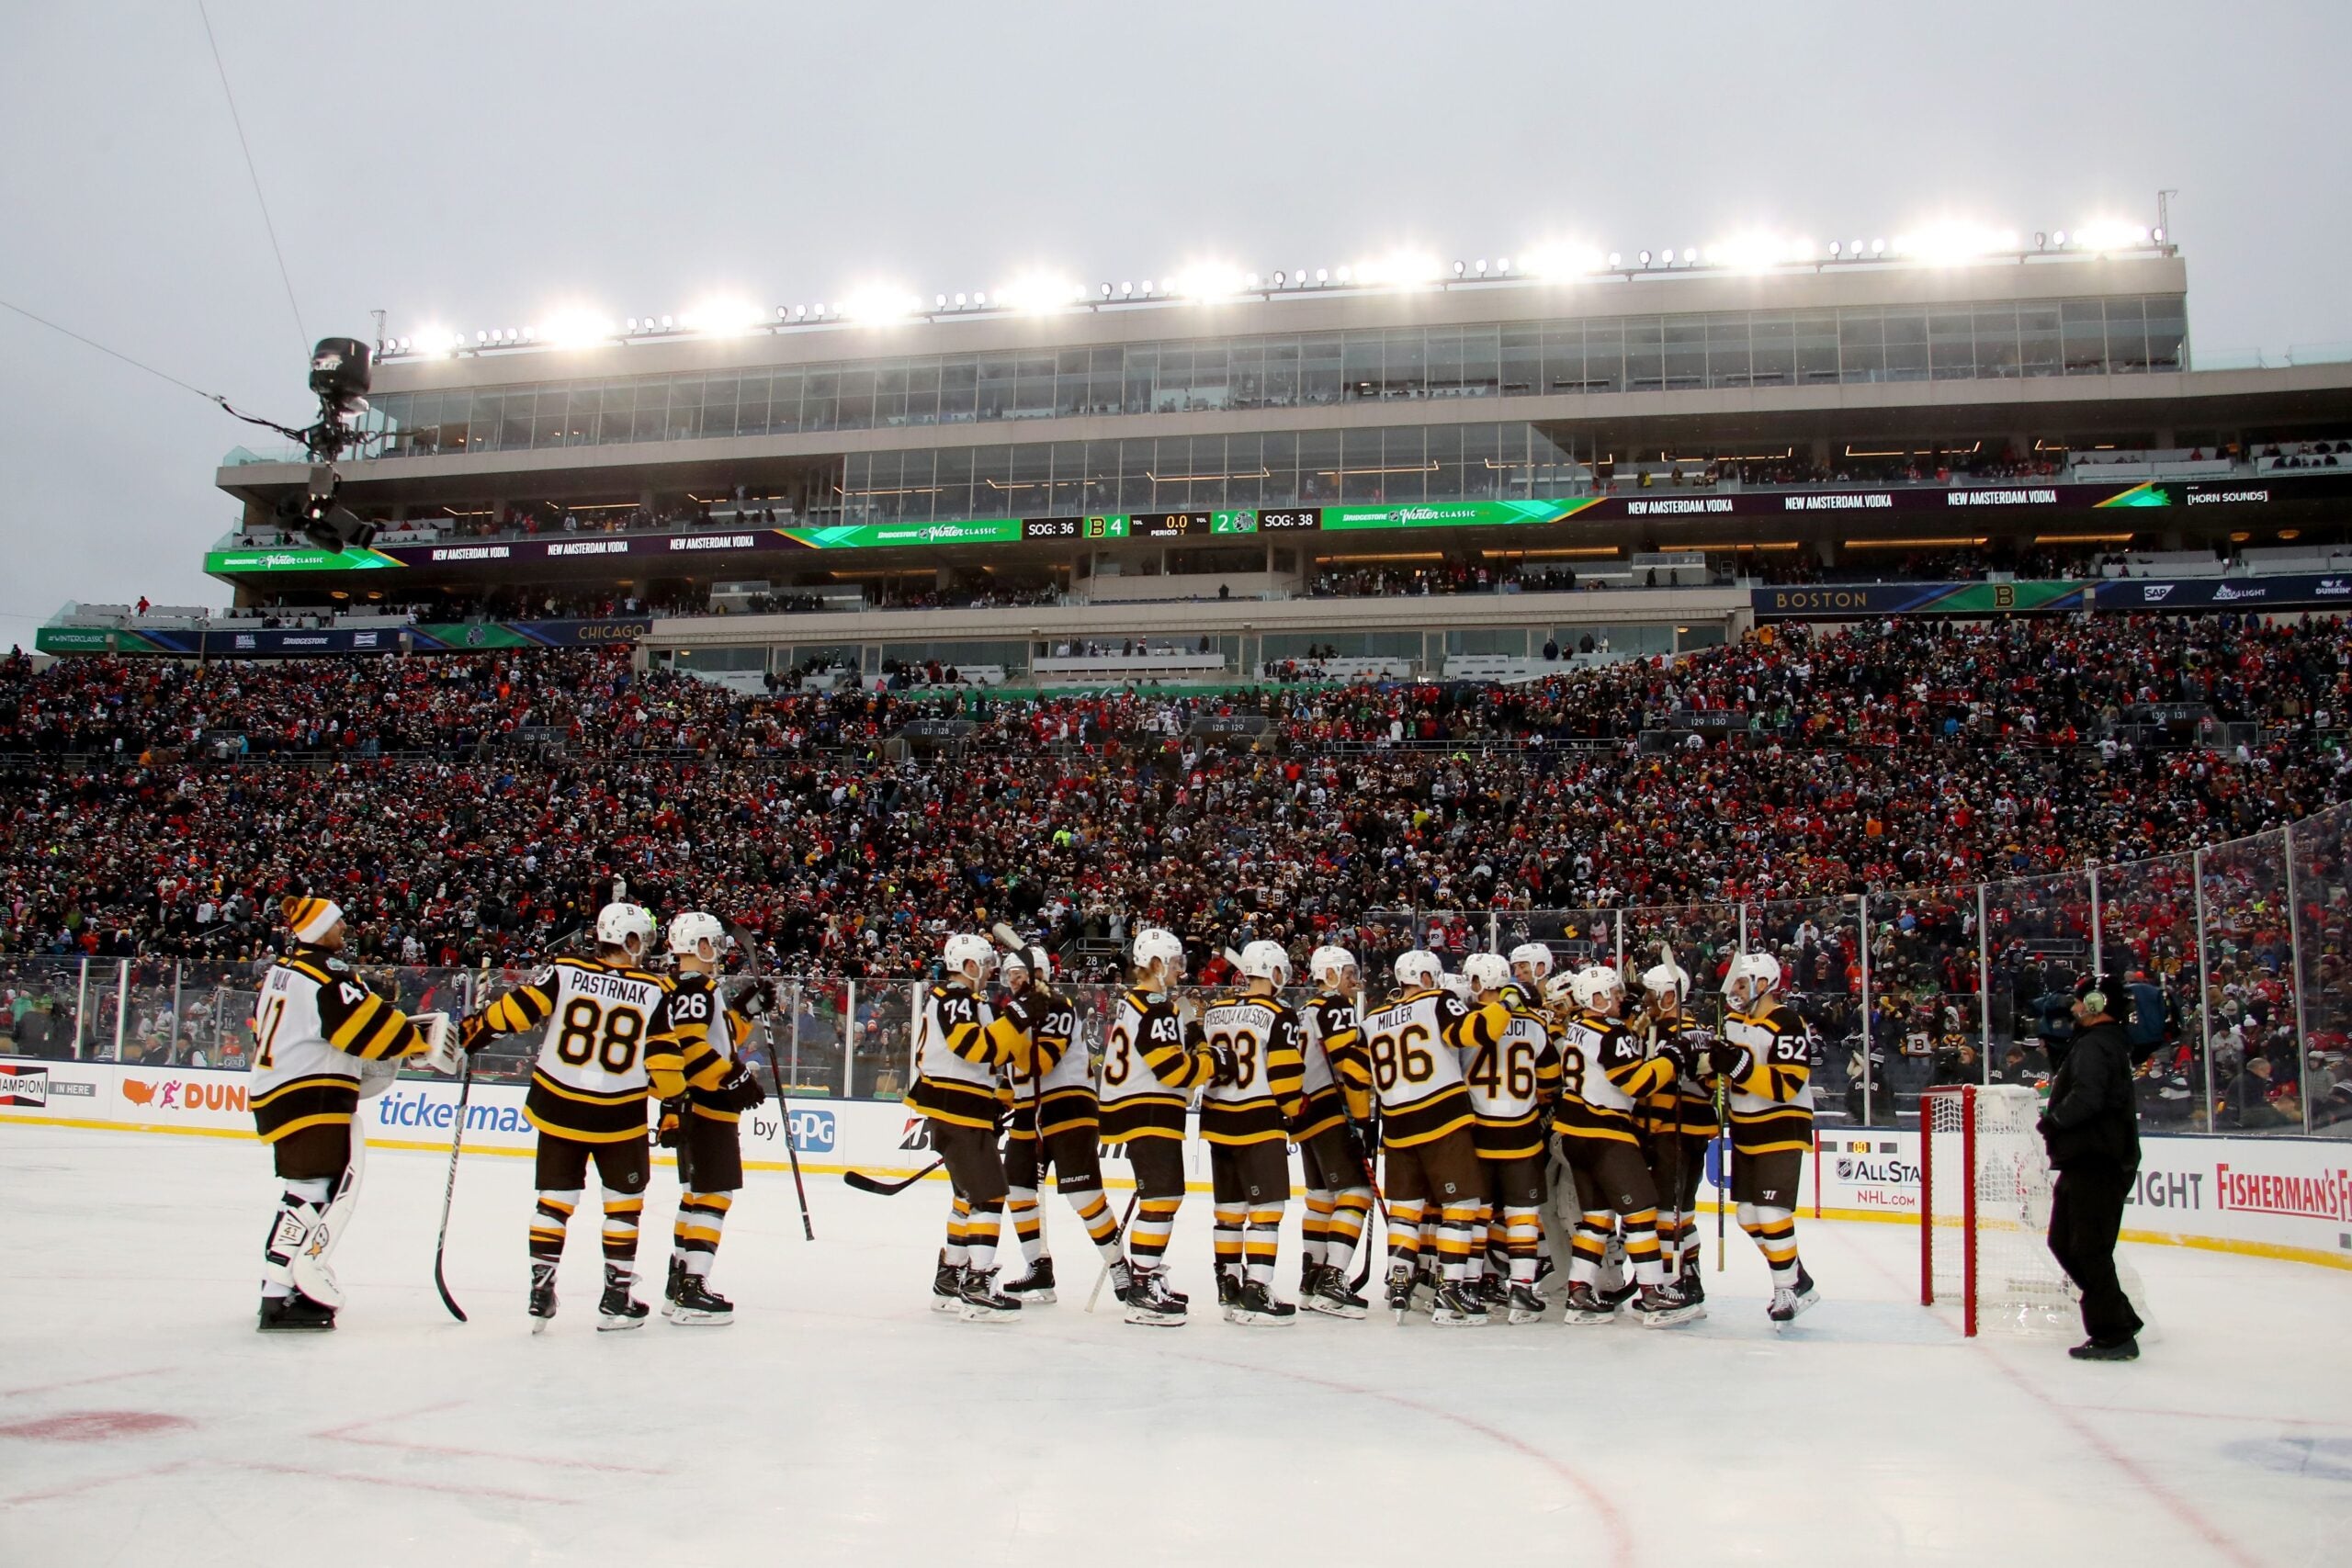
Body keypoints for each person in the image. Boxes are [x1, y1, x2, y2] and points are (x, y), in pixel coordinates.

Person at [464, 902, 682, 1333]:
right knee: (623, 1208)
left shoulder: (564, 971)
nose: (646, 951)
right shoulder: (656, 990)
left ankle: (540, 1289)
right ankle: (616, 1298)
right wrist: (673, 1106)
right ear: (630, 940)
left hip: (559, 1105)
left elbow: (517, 1009)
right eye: (643, 941)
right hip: (619, 1115)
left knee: (554, 1201)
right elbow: (664, 1061)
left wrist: (479, 1028)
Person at [248, 896, 447, 1331]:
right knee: (309, 1193)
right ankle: (278, 1295)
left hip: (281, 1091)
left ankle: (282, 1288)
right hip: (309, 1095)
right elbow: (366, 1026)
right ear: (319, 929)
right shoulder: (325, 975)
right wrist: (417, 1042)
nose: (344, 929)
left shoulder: (282, 972)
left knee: (306, 1188)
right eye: (337, 923)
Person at [1337, 949, 1503, 1325]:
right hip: (1443, 1122)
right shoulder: (1438, 1001)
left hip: (1397, 1130)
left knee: (1407, 1210)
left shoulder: (1373, 1020)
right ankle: (1451, 1290)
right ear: (1428, 979)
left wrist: (1363, 1122)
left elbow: (1353, 1075)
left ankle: (1398, 1282)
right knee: (1462, 1205)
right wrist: (1502, 1002)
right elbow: (1475, 1032)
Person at [1548, 964, 1702, 1327]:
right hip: (1606, 1134)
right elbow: (1637, 1083)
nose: (1620, 999)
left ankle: (1579, 1294)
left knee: (1596, 1220)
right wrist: (1671, 1058)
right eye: (1613, 994)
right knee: (1642, 1213)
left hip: (1574, 1135)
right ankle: (1652, 1294)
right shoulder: (1609, 1033)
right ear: (1595, 998)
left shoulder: (1577, 1028)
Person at [902, 932, 1037, 1321]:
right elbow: (976, 1048)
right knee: (989, 1196)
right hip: (956, 1111)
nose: (992, 972)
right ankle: (977, 1285)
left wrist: (1000, 1095)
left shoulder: (968, 1002)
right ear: (970, 966)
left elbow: (992, 1056)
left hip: (966, 1110)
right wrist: (1018, 1014)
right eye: (987, 965)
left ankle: (949, 1281)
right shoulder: (954, 999)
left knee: (966, 1197)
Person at [651, 912, 771, 1325]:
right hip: (707, 1104)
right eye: (713, 944)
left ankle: (679, 1282)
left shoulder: (693, 989)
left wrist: (744, 1011)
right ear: (699, 946)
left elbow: (717, 1038)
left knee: (696, 1194)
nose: (718, 950)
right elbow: (693, 1047)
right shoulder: (697, 987)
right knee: (714, 1194)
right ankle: (691, 1289)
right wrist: (734, 1076)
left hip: (694, 1104)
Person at [997, 944, 1129, 1305]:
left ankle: (1120, 1266)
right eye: (1010, 976)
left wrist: (1007, 1044)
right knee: (1019, 1192)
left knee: (1084, 1196)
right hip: (1029, 1111)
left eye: (1020, 975)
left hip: (1068, 1105)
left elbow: (1041, 1062)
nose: (1014, 982)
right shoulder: (1013, 1013)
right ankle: (1039, 1268)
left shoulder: (1055, 1005)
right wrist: (997, 1104)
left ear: (1040, 974)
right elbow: (1011, 1077)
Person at [1100, 927, 1219, 1325]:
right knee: (1163, 1198)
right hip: (1148, 1111)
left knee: (1163, 1196)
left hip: (1139, 1110)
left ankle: (1146, 1278)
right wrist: (1209, 1061)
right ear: (1154, 964)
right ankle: (1143, 1287)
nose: (1179, 969)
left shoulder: (1135, 1004)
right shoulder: (1155, 1007)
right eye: (1173, 961)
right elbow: (1171, 1072)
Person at [1198, 941, 1308, 1325]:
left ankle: (1228, 1288)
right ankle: (1257, 1290)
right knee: (1266, 1211)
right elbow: (1283, 1073)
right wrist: (1295, 1111)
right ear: (1275, 972)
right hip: (1259, 1120)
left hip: (1217, 1121)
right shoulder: (1280, 1013)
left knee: (1228, 1211)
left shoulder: (1214, 1011)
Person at [2040, 982, 2145, 1361]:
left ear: (2098, 1004)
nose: (2074, 1007)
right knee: (2065, 1242)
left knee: (2088, 1248)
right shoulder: (2098, 1042)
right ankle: (2118, 1316)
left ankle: (2113, 1333)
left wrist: (2053, 1121)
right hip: (2088, 1158)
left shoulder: (2098, 1044)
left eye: (2082, 1000)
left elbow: (2087, 1097)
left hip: (2097, 1159)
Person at [1715, 951, 1819, 1324]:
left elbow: (1788, 1085)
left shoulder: (1788, 1022)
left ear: (1764, 983)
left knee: (1771, 1212)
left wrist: (1737, 1066)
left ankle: (1786, 1291)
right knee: (1747, 1215)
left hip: (1781, 1126)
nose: (1736, 990)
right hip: (1744, 1130)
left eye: (1742, 983)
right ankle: (1797, 1276)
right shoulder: (1730, 1021)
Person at [1459, 952, 1561, 1324]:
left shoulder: (1467, 1023)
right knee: (1522, 1214)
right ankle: (1521, 1289)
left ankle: (1467, 1287)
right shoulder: (1534, 1025)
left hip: (1479, 1129)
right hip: (1523, 1132)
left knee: (1477, 1214)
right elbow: (1551, 1077)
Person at [1292, 944, 1375, 1318]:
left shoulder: (1305, 1011)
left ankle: (1311, 1280)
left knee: (1322, 1199)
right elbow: (1351, 1067)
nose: (1353, 979)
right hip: (1330, 1113)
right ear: (1328, 975)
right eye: (1346, 972)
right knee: (1355, 1193)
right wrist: (1363, 1120)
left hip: (1305, 1115)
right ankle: (1333, 1279)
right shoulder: (1336, 1007)